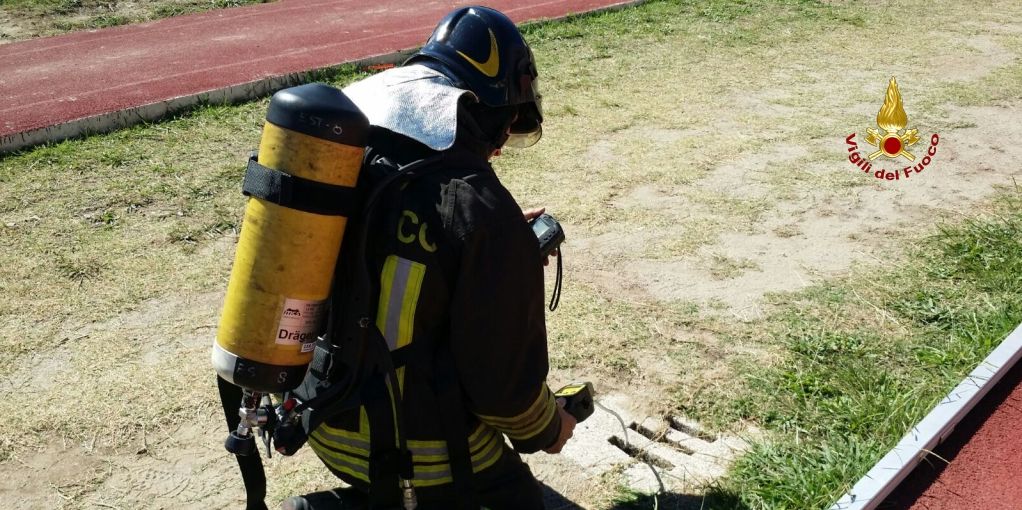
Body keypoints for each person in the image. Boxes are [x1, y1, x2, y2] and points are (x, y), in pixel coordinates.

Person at [281, 6, 576, 509]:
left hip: (320, 416)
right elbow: (506, 396)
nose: (500, 150)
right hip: (411, 451)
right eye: (505, 128)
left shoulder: (353, 164)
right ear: (485, 117)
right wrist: (551, 427)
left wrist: (493, 247)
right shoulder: (479, 208)